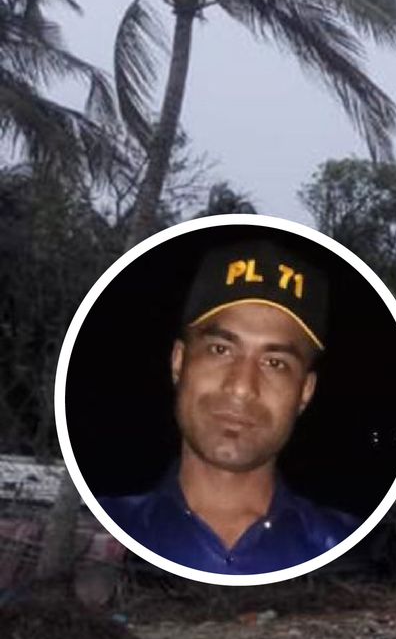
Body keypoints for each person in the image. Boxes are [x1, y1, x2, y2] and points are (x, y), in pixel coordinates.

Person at [100, 238, 359, 574]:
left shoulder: (344, 547)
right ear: (179, 362)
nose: (241, 387)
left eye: (275, 363)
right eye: (220, 350)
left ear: (305, 391)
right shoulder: (105, 527)